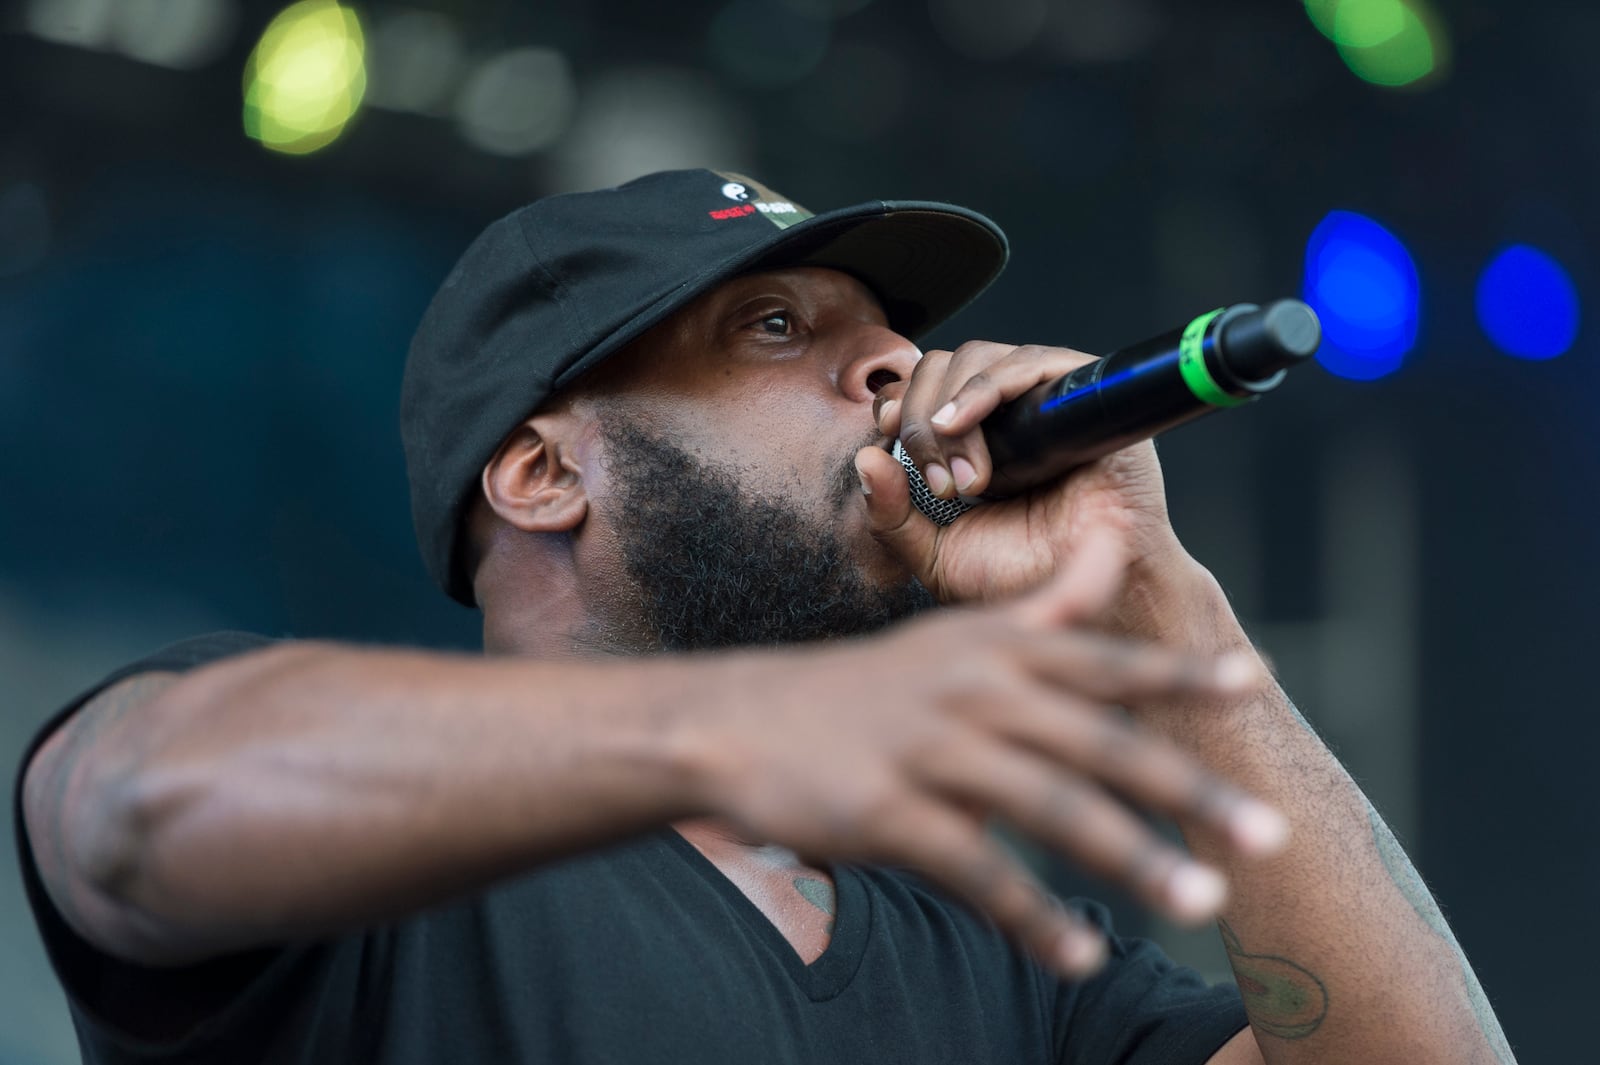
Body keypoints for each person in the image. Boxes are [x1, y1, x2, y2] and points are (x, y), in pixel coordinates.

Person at [14, 169, 1514, 1065]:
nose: (896, 373)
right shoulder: (385, 863)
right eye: (779, 328)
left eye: (895, 339)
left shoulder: (1001, 950)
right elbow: (122, 808)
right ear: (542, 472)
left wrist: (1164, 614)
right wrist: (728, 727)